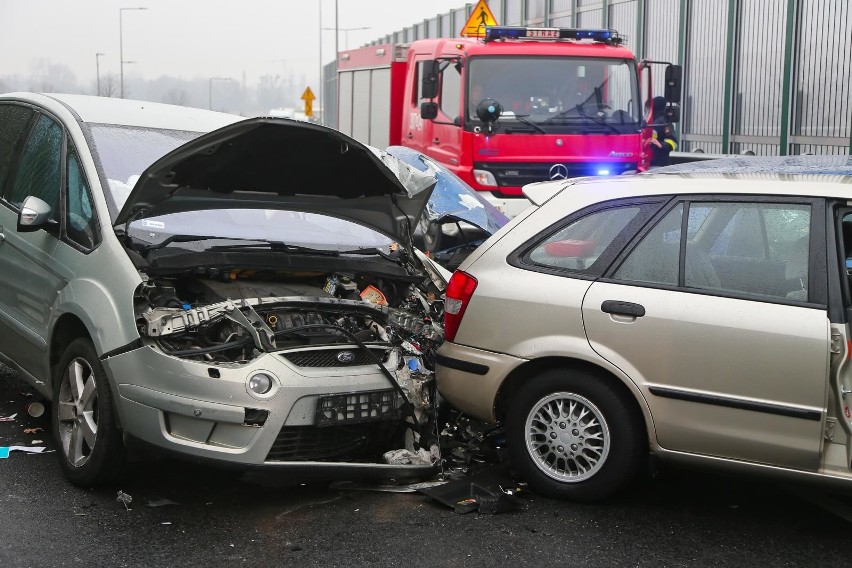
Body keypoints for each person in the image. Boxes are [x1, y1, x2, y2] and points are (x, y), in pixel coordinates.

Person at [649, 96, 678, 167]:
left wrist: (661, 145)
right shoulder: (648, 121)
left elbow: (672, 141)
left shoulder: (664, 123)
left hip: (659, 163)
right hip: (646, 161)